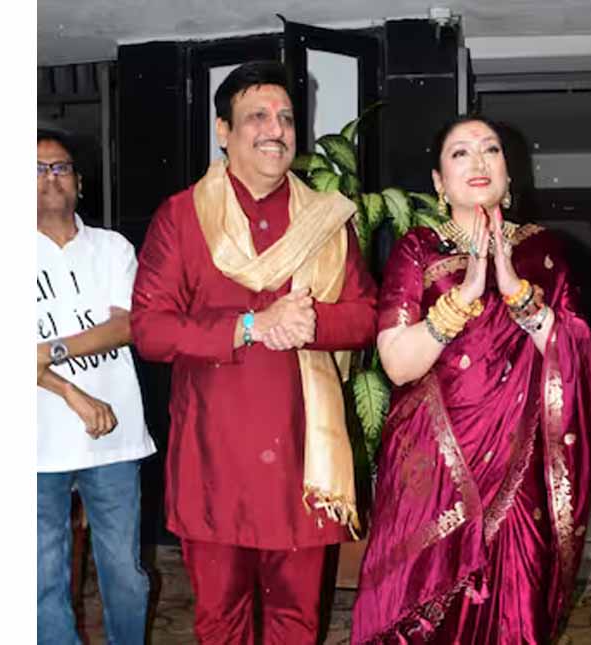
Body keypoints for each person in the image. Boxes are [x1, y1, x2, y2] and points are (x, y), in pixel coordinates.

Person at [129, 60, 378, 643]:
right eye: (257, 116)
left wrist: (310, 322)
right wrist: (248, 326)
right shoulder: (182, 217)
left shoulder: (326, 220)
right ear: (223, 130)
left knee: (298, 620)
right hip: (215, 461)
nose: (276, 129)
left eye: (286, 118)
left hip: (303, 461)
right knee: (222, 621)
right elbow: (150, 329)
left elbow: (367, 315)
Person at [351, 115, 591, 644]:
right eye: (460, 152)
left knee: (516, 612)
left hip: (520, 471)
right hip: (432, 469)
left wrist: (515, 290)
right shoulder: (418, 249)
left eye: (491, 150)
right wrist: (464, 295)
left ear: (509, 173)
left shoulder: (546, 254)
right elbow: (397, 364)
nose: (479, 161)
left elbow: (573, 351)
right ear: (439, 182)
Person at [36, 129, 156, 644]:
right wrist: (72, 393)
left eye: (60, 167)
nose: (50, 178)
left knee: (125, 575)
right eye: (36, 169)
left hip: (114, 439)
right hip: (36, 445)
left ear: (79, 183)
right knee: (40, 581)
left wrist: (51, 351)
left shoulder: (111, 247)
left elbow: (127, 325)